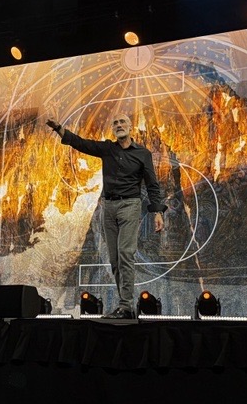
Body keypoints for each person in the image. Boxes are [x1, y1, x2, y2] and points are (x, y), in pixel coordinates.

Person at [46, 112, 166, 319]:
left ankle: (126, 305)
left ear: (130, 127)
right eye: (115, 123)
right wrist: (59, 129)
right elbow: (81, 143)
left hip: (130, 205)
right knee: (114, 259)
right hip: (109, 207)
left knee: (125, 253)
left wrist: (157, 212)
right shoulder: (107, 149)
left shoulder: (142, 154)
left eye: (122, 122)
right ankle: (124, 305)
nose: (119, 125)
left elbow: (152, 184)